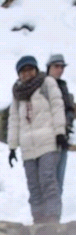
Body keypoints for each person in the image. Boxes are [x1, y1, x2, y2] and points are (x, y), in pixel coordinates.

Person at [7, 55, 66, 224]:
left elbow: (57, 106)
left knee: (48, 181)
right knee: (34, 186)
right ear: (18, 74)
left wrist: (59, 132)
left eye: (29, 69)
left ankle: (52, 219)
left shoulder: (47, 83)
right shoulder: (17, 93)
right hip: (28, 147)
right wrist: (12, 146)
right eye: (23, 71)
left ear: (35, 69)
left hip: (47, 142)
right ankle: (38, 221)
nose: (27, 74)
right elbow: (14, 120)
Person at [45, 54, 74, 193]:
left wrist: (66, 122)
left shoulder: (63, 86)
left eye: (62, 67)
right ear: (49, 67)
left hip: (63, 137)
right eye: (57, 66)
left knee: (59, 179)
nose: (60, 70)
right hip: (46, 138)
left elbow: (69, 109)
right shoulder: (41, 85)